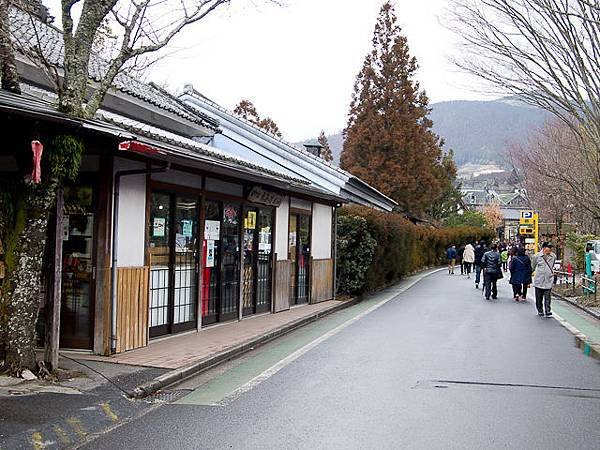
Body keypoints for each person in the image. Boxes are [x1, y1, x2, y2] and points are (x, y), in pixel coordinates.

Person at [533, 242, 557, 317]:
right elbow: (533, 266)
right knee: (539, 297)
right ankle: (540, 310)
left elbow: (552, 266)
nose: (549, 249)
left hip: (548, 279)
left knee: (547, 297)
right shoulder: (537, 256)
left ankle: (548, 310)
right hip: (539, 279)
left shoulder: (553, 256)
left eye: (550, 248)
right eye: (548, 248)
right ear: (543, 248)